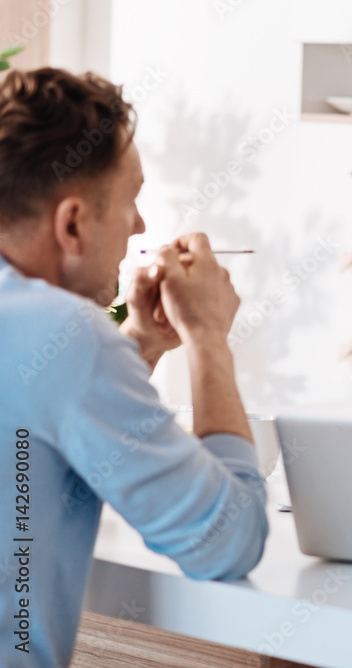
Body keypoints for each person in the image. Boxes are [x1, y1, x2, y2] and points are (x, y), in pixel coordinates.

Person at [0, 68, 268, 667]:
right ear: (72, 223)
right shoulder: (64, 334)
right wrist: (208, 340)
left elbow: (35, 416)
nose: (141, 226)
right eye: (130, 200)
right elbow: (227, 540)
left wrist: (139, 344)